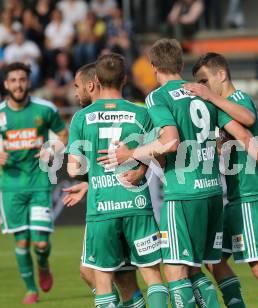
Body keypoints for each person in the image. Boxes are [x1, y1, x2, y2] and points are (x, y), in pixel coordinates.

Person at [99, 39, 258, 308]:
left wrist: (132, 155)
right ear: (181, 64)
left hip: (183, 194)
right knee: (199, 266)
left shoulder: (158, 96)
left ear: (153, 67)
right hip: (213, 193)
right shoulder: (201, 93)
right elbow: (242, 132)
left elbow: (170, 141)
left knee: (175, 271)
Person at [184, 52, 258, 308]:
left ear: (221, 74)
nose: (203, 87)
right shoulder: (221, 108)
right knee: (214, 260)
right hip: (235, 196)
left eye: (205, 80)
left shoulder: (237, 98)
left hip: (251, 193)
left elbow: (248, 120)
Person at [66, 53, 168, 308]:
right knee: (153, 277)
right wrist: (141, 167)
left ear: (97, 80)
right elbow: (159, 149)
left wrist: (89, 175)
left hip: (103, 209)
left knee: (102, 279)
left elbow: (72, 168)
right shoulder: (141, 112)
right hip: (137, 206)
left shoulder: (81, 118)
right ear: (124, 79)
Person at [0, 62, 68, 304]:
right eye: (14, 80)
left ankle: (43, 264)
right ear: (6, 84)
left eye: (22, 79)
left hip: (39, 183)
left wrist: (51, 149)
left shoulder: (45, 109)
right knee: (22, 241)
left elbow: (63, 134)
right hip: (11, 187)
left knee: (41, 243)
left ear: (28, 82)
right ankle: (31, 290)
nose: (18, 84)